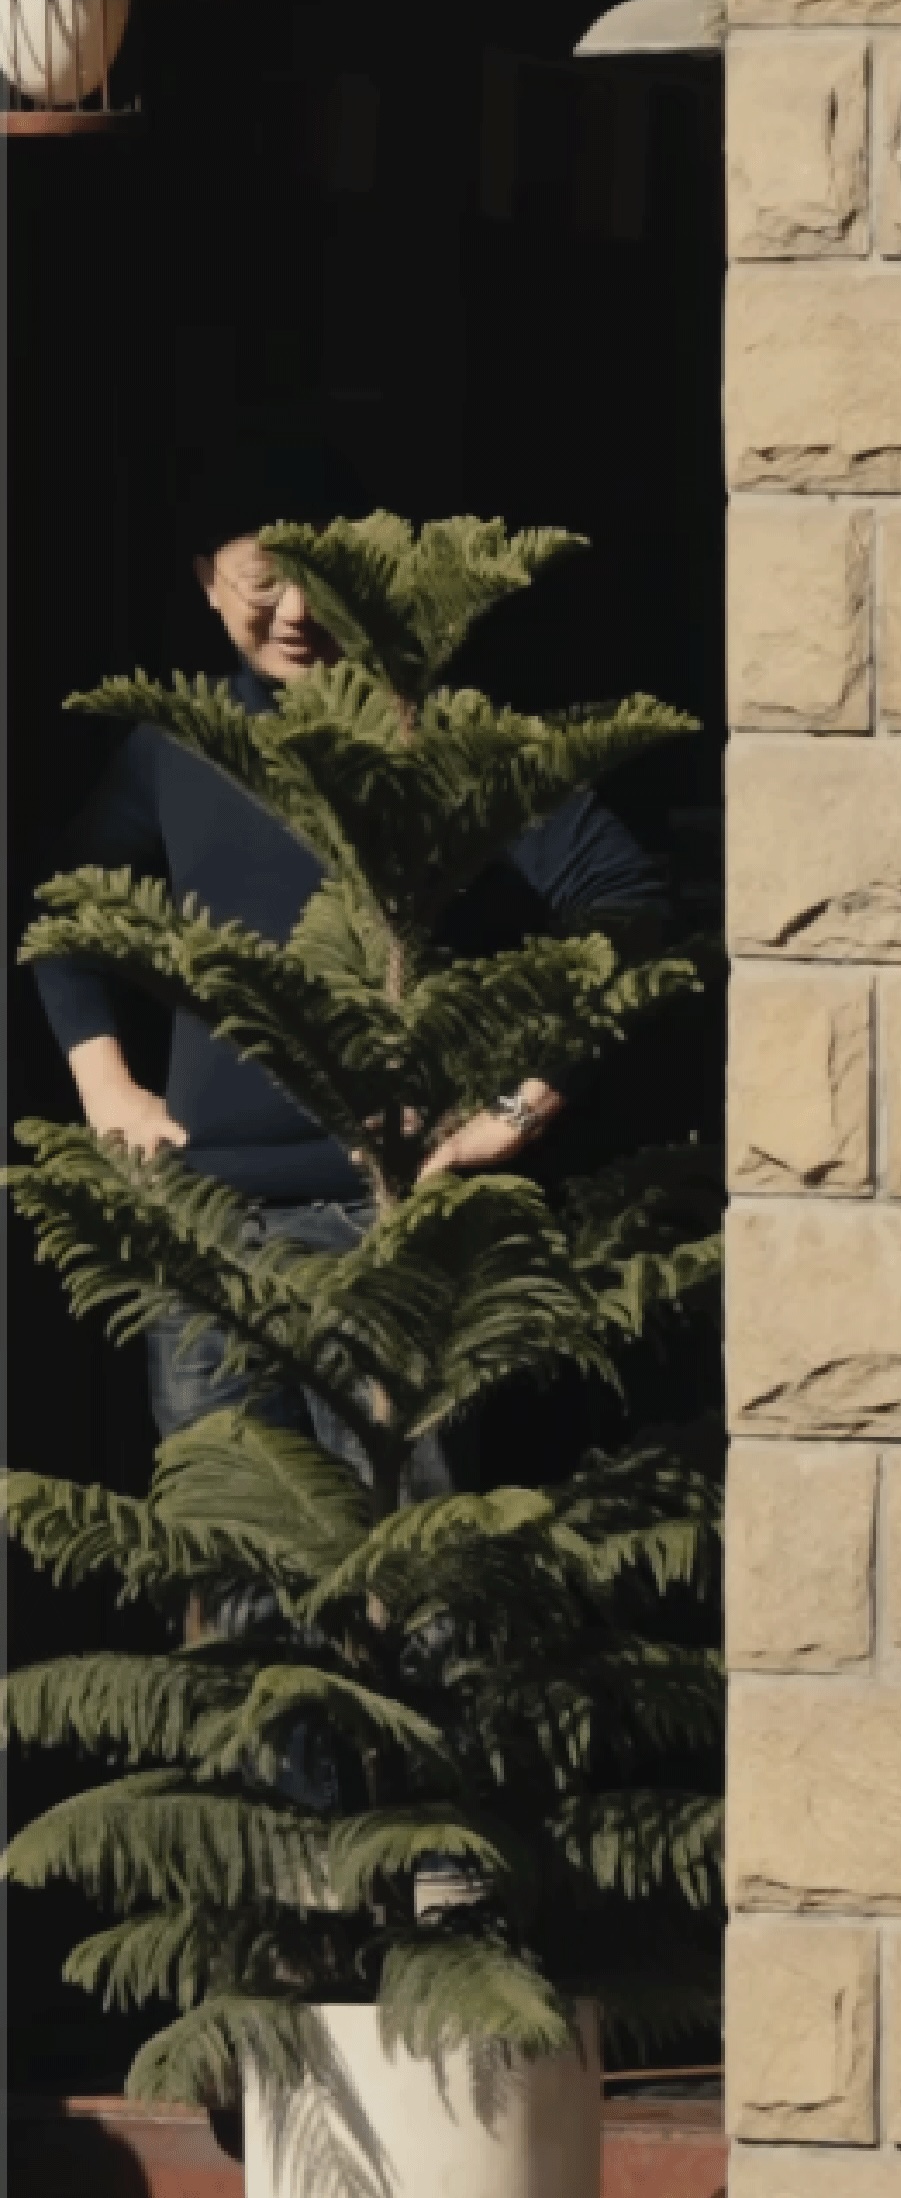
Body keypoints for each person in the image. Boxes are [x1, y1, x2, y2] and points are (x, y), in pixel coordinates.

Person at [26, 463, 669, 1510]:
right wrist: (106, 1084)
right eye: (262, 581)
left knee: (403, 1557)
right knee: (230, 1546)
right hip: (204, 1223)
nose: (295, 611)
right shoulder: (177, 744)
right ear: (206, 583)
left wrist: (521, 1106)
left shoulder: (441, 739)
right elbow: (63, 909)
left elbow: (626, 904)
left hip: (383, 1221)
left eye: (324, 580)